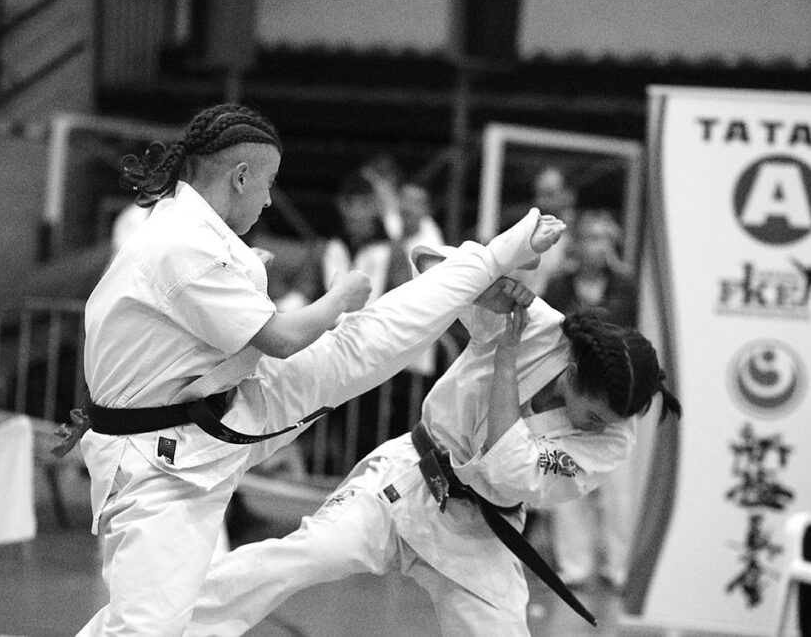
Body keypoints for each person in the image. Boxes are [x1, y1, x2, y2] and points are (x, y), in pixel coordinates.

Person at [73, 101, 567, 636]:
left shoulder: (191, 228)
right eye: (268, 184)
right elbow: (283, 338)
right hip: (161, 459)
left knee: (361, 347)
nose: (268, 199)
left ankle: (490, 257)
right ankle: (489, 259)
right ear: (240, 177)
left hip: (217, 411)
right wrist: (339, 298)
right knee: (146, 629)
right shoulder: (183, 245)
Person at [188, 247, 681, 637]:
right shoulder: (536, 325)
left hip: (483, 530)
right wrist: (487, 283)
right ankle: (169, 622)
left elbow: (510, 471)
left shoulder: (613, 438)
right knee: (306, 556)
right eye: (592, 415)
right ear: (572, 372)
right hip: (407, 480)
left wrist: (505, 360)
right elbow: (432, 265)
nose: (598, 428)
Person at [541, 208, 638, 588]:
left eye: (605, 238)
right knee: (567, 479)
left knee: (617, 489)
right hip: (567, 393)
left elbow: (627, 335)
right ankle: (574, 565)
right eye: (591, 237)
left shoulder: (625, 285)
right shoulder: (558, 285)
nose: (598, 246)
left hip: (616, 397)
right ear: (577, 243)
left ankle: (619, 567)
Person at [518, 165, 579, 297]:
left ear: (569, 195)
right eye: (538, 194)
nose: (541, 202)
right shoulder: (525, 236)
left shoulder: (583, 236)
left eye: (549, 194)